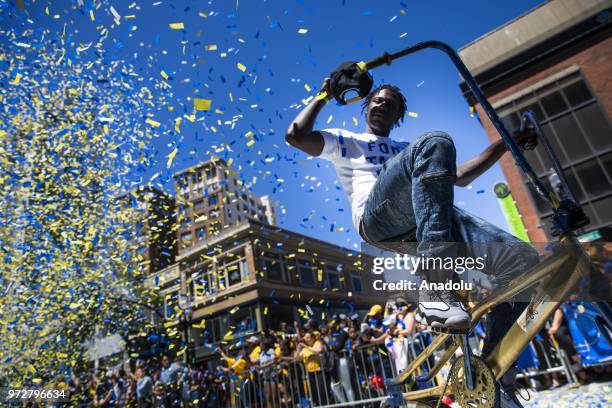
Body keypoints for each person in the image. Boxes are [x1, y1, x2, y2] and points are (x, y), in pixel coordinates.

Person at [286, 77, 540, 406]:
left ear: (398, 115)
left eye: (389, 104)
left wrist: (507, 143)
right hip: (379, 219)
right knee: (436, 141)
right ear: (365, 107)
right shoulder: (348, 141)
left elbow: (461, 176)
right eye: (376, 101)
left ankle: (493, 369)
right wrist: (323, 94)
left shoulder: (409, 151)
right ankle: (436, 280)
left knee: (522, 260)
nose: (381, 106)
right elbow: (296, 136)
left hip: (425, 219)